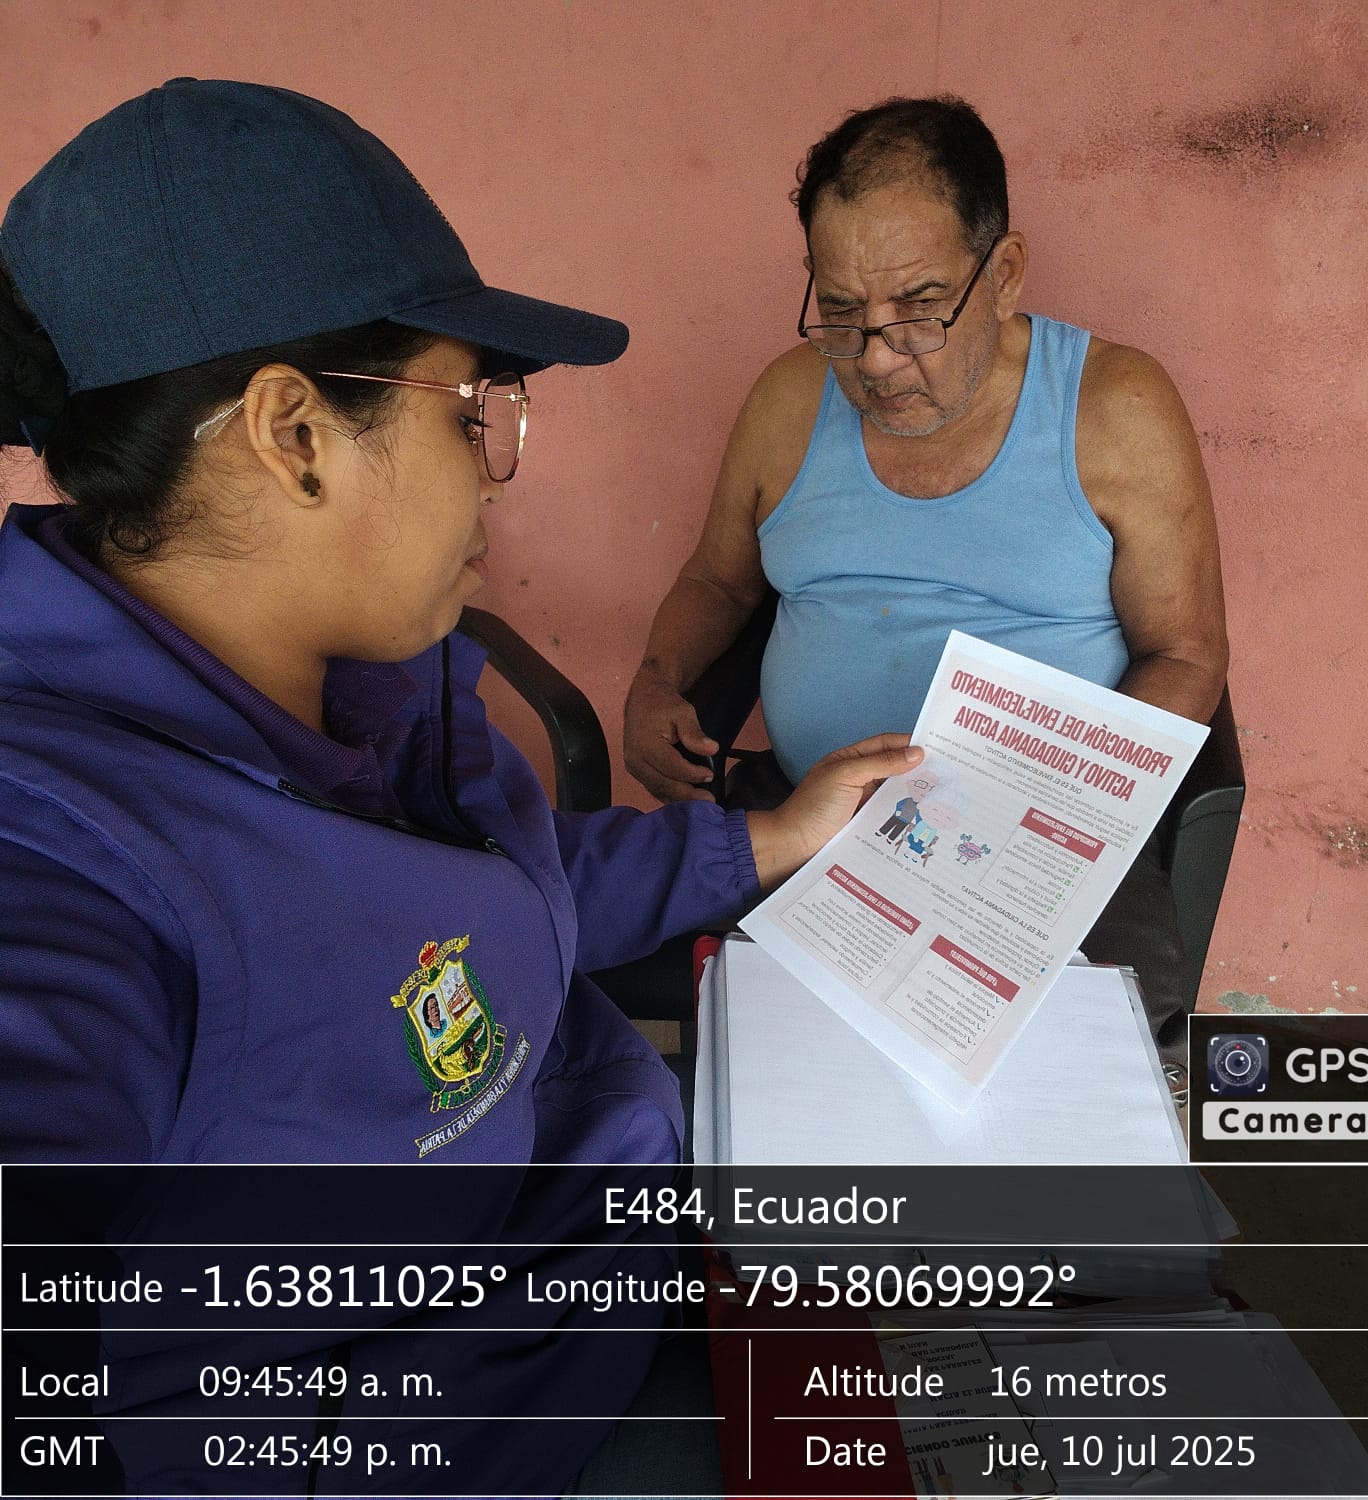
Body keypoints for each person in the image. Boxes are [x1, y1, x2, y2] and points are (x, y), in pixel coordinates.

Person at [0, 78, 917, 1497]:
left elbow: (509, 891)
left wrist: (764, 840)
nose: (495, 477)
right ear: (294, 434)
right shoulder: (69, 862)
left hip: (616, 1239)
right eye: (471, 411)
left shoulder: (365, 683)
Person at [624, 95, 1228, 1051]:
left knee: (1051, 1086)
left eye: (918, 309)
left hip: (1036, 852)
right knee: (772, 1075)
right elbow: (718, 583)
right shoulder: (789, 399)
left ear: (1004, 274)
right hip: (811, 820)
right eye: (841, 312)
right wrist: (657, 680)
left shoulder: (1114, 408)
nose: (875, 360)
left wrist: (1055, 811)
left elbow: (1186, 656)